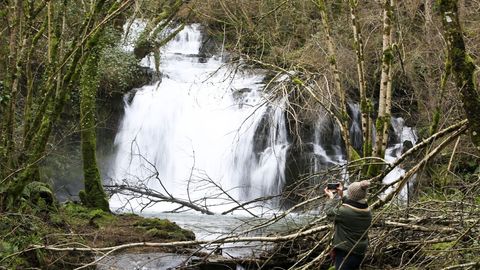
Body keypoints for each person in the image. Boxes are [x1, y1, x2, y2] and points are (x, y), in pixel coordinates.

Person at [323, 180, 372, 270]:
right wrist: (341, 195)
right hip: (359, 252)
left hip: (346, 254)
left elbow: (329, 212)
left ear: (351, 195)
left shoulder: (344, 212)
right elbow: (353, 203)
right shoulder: (367, 210)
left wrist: (331, 198)